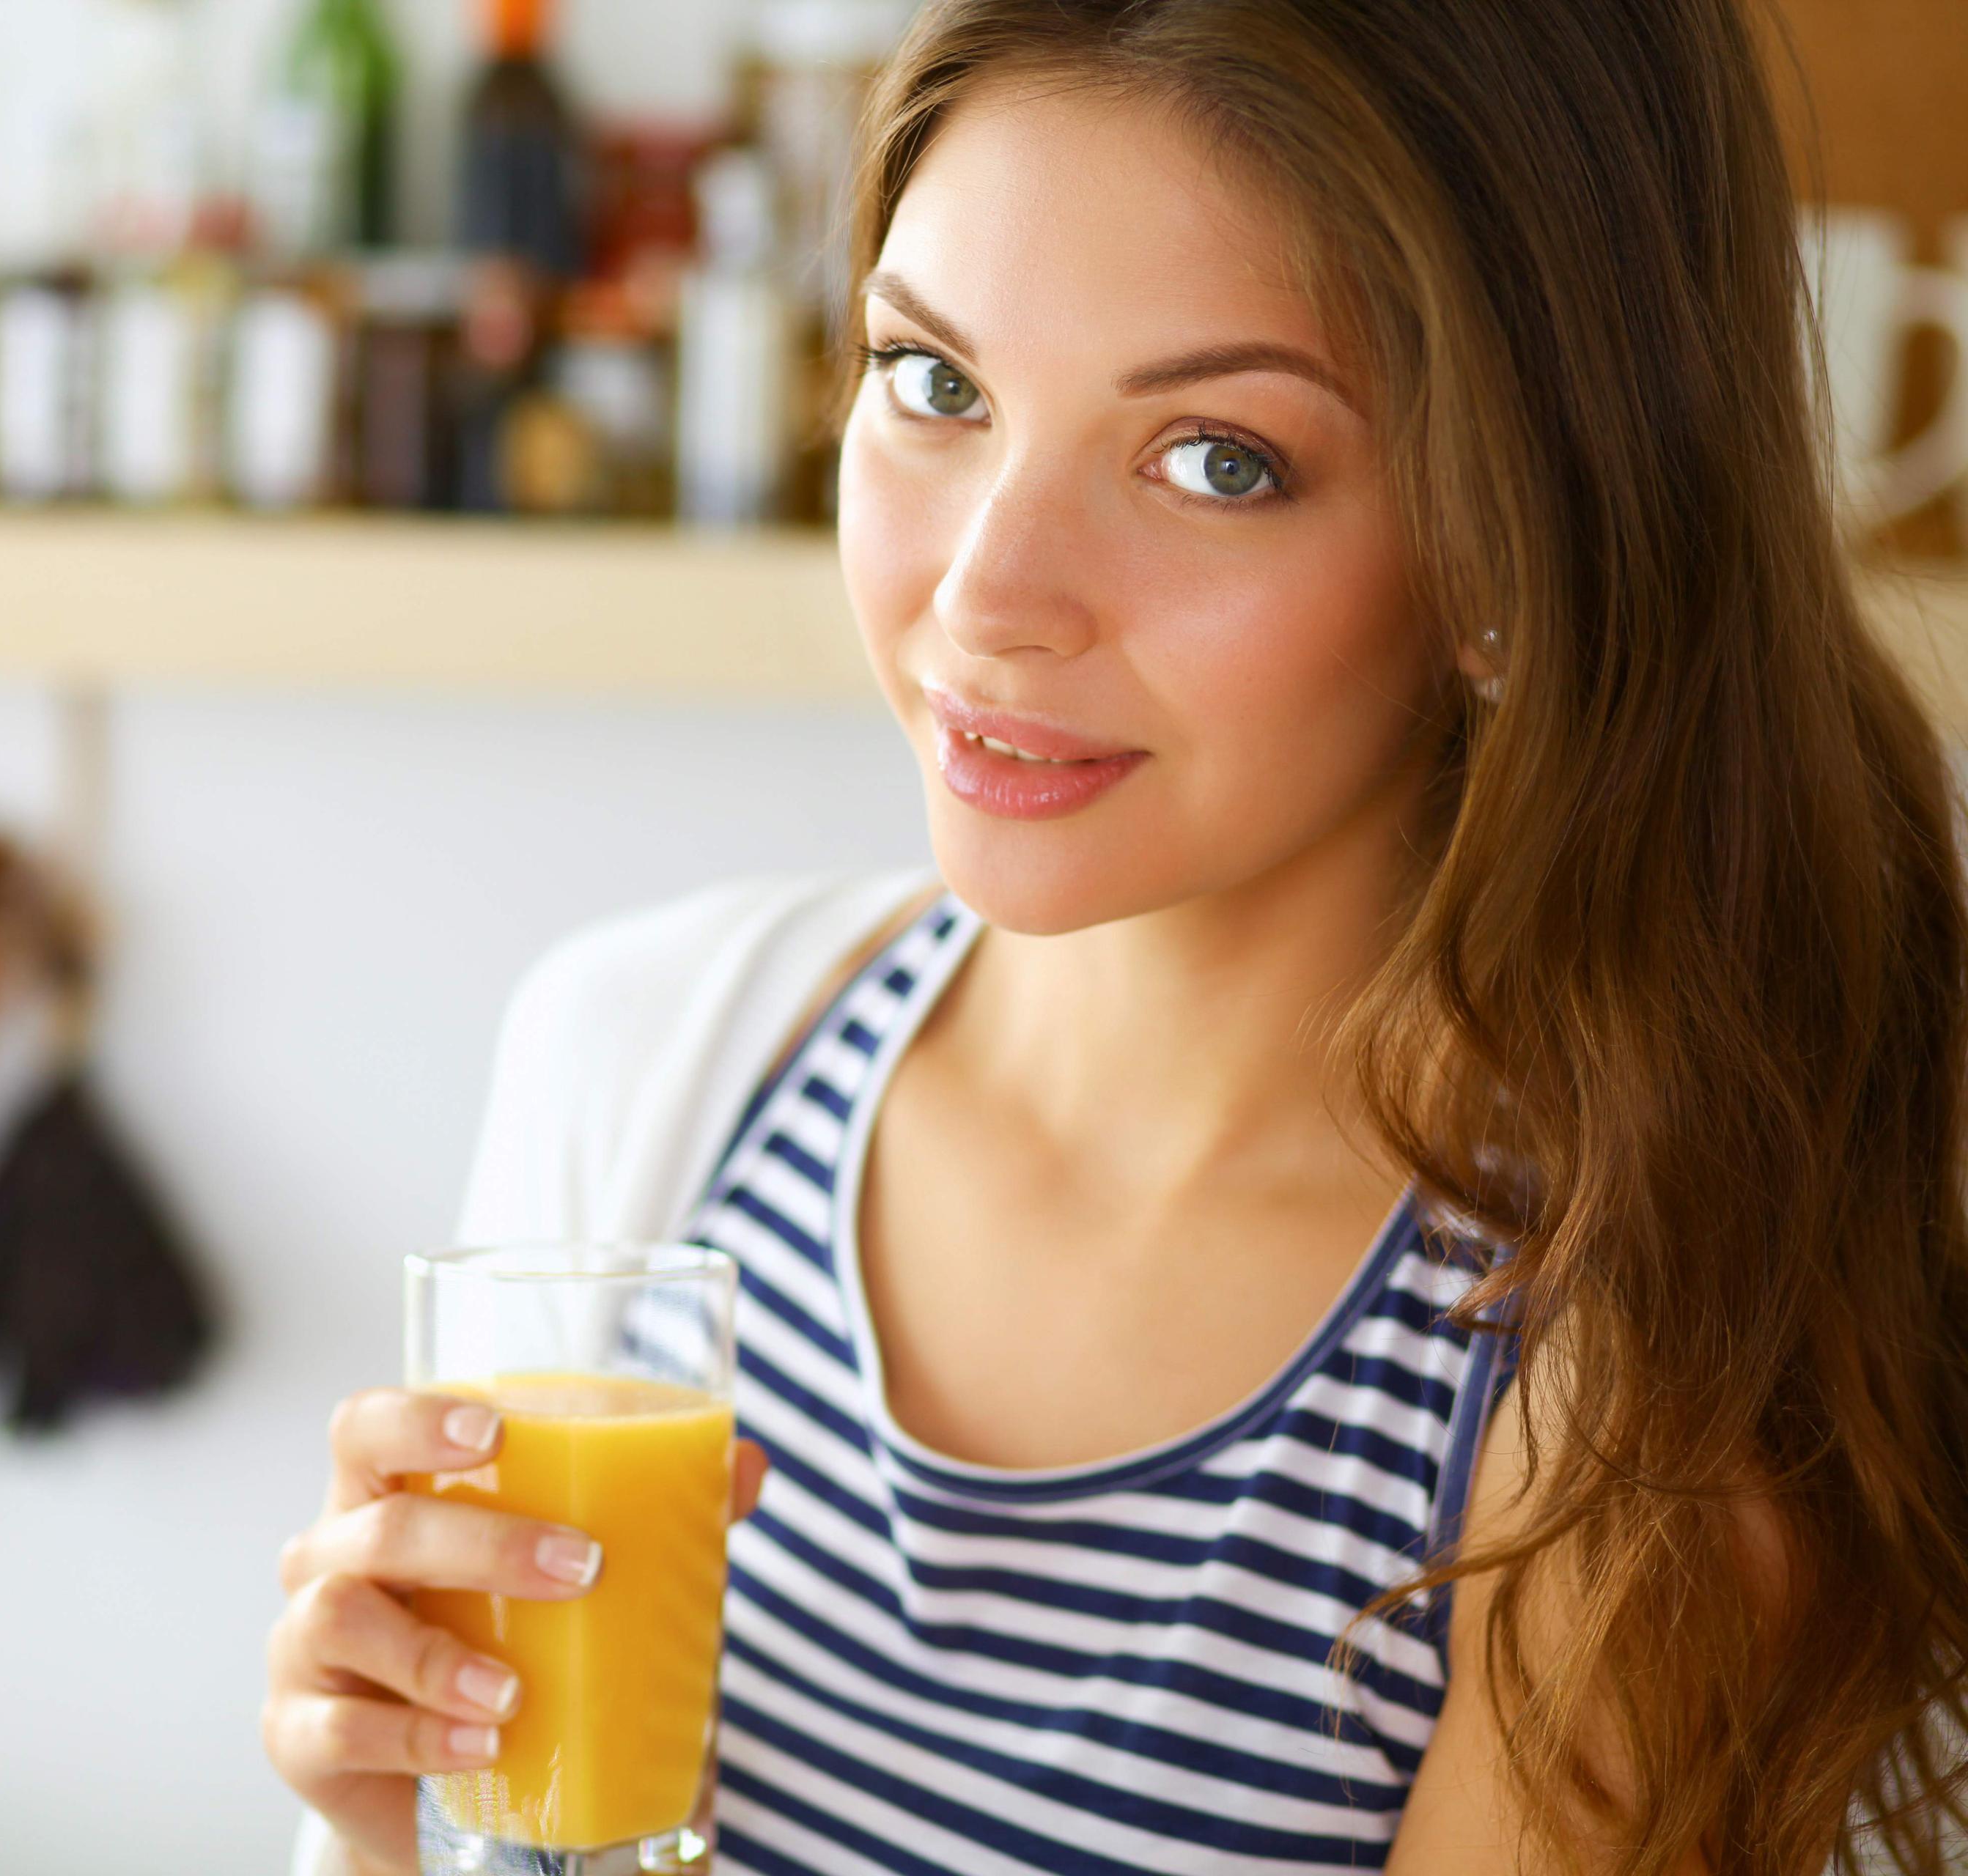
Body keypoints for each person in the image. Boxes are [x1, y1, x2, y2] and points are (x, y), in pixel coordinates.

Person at [264, 0, 1968, 1866]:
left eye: (1216, 459)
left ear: (1509, 550)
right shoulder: (649, 1062)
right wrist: (385, 1830)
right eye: (932, 382)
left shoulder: (1638, 1388)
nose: (988, 596)